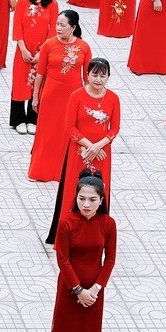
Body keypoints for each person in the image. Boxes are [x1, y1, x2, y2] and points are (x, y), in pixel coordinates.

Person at [41, 172, 115, 332]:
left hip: (94, 293)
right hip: (69, 291)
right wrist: (78, 290)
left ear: (101, 200)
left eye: (92, 200)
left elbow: (110, 260)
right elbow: (63, 260)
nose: (86, 204)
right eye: (82, 198)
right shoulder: (67, 222)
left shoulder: (108, 224)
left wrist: (95, 289)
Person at [45, 58, 120, 244]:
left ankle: (95, 236)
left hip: (102, 153)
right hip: (79, 152)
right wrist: (89, 146)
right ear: (87, 75)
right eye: (94, 74)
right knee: (74, 189)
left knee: (99, 191)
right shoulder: (76, 96)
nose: (98, 79)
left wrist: (98, 146)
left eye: (103, 75)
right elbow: (70, 127)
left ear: (108, 77)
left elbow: (114, 129)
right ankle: (67, 234)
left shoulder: (113, 98)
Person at [28, 10, 92, 182]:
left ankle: (63, 172)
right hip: (50, 94)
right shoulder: (49, 44)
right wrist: (35, 96)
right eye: (57, 24)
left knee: (67, 132)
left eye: (62, 25)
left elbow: (87, 78)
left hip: (73, 96)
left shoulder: (84, 47)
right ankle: (39, 171)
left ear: (73, 27)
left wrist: (88, 99)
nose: (58, 28)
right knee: (46, 132)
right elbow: (40, 73)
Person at [9, 0, 59, 133]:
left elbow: (53, 31)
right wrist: (23, 49)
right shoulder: (23, 1)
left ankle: (32, 117)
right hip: (23, 50)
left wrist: (41, 53)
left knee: (37, 83)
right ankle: (17, 119)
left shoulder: (53, 5)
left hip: (42, 52)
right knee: (20, 81)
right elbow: (17, 28)